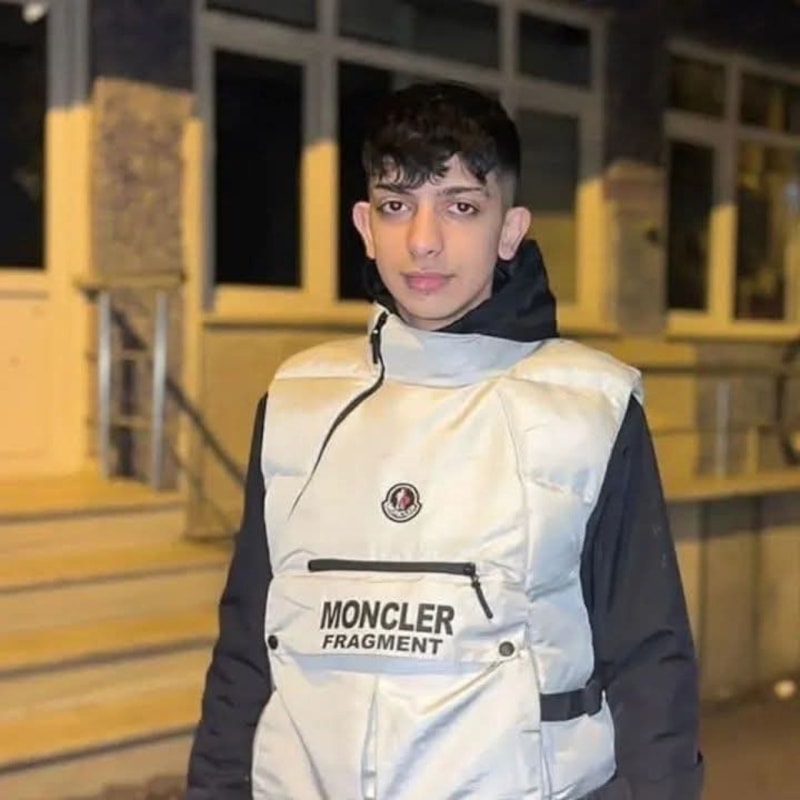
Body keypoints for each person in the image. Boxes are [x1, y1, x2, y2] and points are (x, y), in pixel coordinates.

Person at [187, 82, 703, 800]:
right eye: (397, 205)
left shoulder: (589, 410)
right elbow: (248, 647)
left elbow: (649, 660)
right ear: (365, 225)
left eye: (461, 206)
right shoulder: (299, 404)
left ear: (509, 230)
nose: (423, 240)